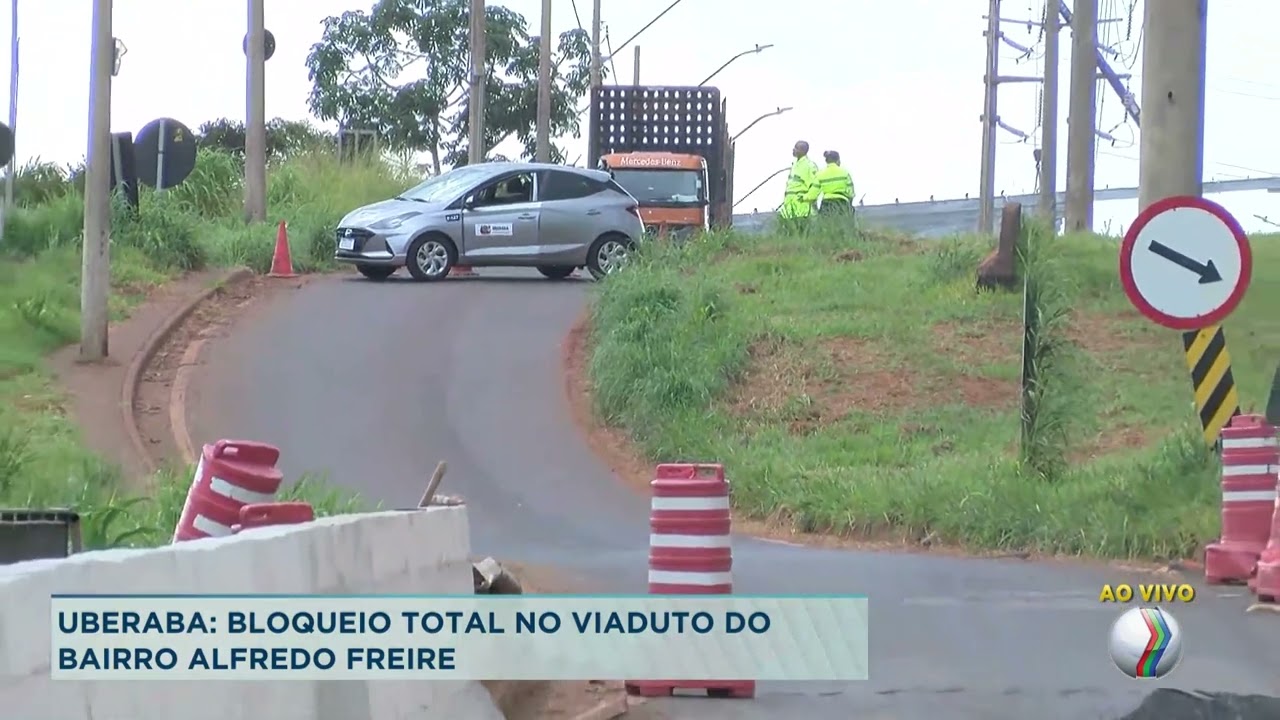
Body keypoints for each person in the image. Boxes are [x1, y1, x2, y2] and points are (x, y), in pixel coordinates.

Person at [778, 140, 820, 231]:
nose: (793, 150)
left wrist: (807, 197)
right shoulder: (795, 165)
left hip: (802, 209)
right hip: (789, 209)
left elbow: (816, 185)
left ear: (802, 150)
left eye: (796, 148)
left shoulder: (810, 166)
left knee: (802, 233)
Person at [816, 150, 854, 214]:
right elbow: (851, 193)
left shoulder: (819, 174)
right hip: (842, 203)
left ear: (826, 161)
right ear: (838, 160)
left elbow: (814, 192)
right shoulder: (844, 173)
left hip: (826, 203)